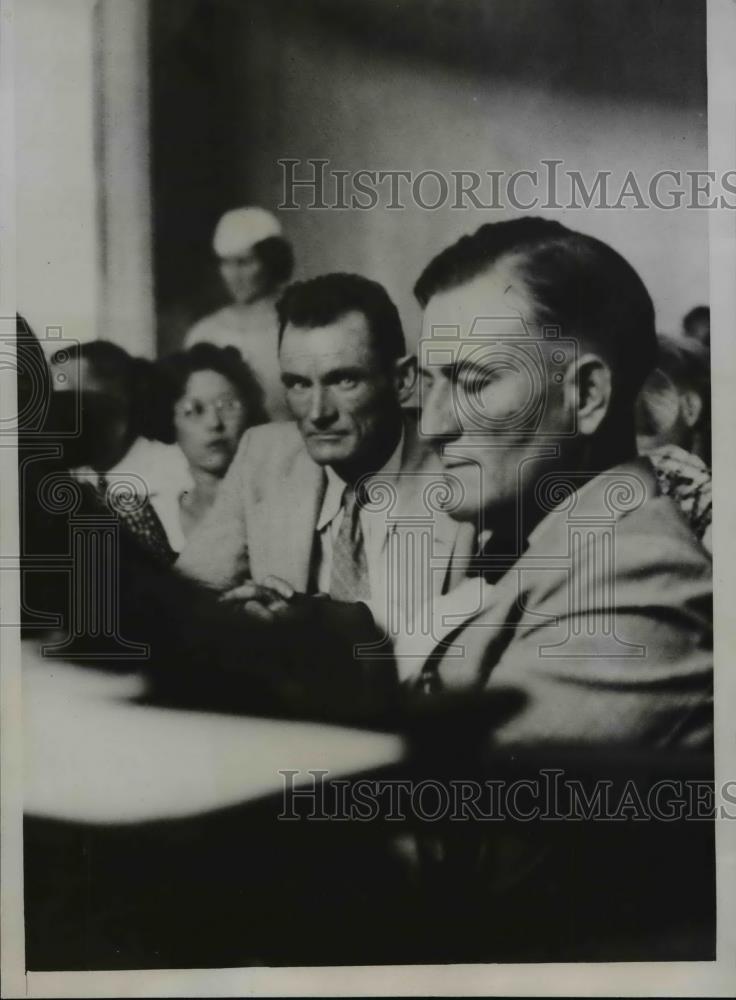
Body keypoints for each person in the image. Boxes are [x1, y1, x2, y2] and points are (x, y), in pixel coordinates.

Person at [397, 217, 712, 748]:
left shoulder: (634, 575)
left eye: (472, 382)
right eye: (430, 384)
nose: (431, 424)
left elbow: (475, 814)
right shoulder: (523, 533)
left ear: (586, 395)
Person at [176, 272, 474, 632]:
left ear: (403, 380)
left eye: (344, 380)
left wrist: (333, 625)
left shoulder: (462, 470)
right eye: (298, 384)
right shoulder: (264, 455)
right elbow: (182, 598)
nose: (318, 413)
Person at [184, 207, 294, 421]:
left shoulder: (297, 326)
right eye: (225, 263)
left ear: (270, 263)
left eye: (244, 262)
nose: (233, 275)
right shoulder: (205, 333)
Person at [154, 344, 267, 551]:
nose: (214, 423)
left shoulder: (275, 507)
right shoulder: (157, 517)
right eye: (193, 410)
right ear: (169, 421)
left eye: (227, 405)